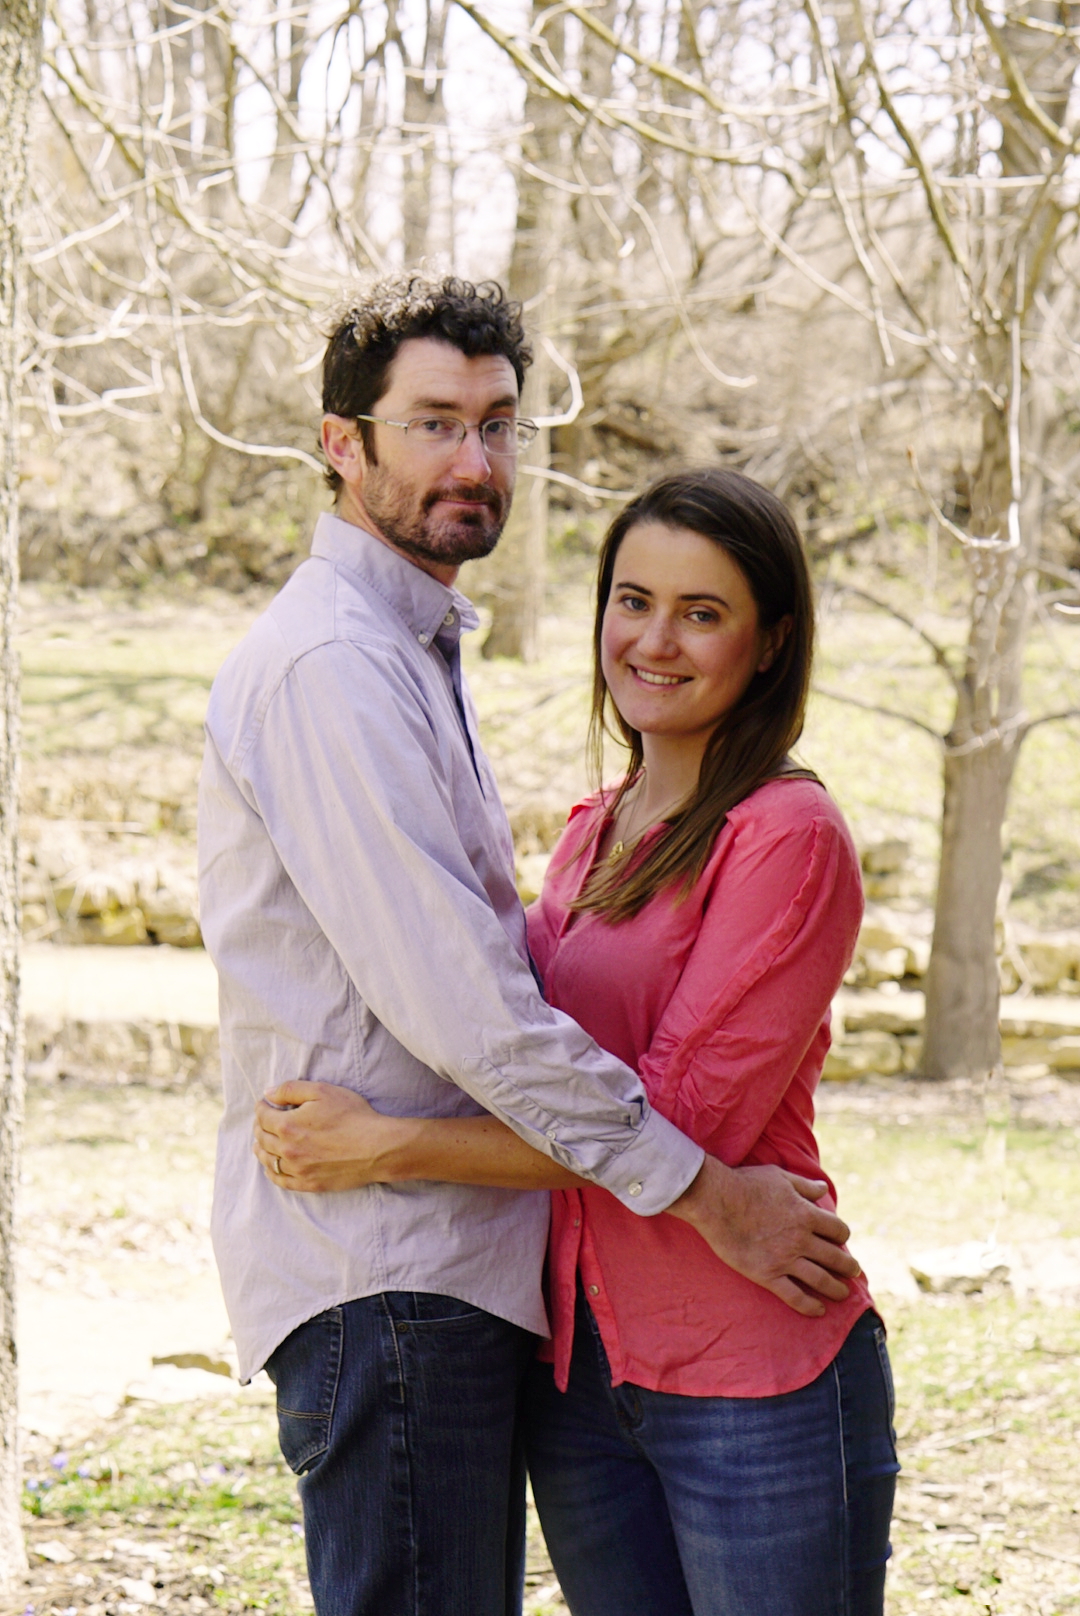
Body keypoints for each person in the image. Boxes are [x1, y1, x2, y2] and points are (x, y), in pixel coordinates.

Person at [199, 271, 860, 1616]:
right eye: (434, 424)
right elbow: (469, 1008)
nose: (474, 461)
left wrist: (395, 1142)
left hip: (508, 1292)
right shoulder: (338, 668)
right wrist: (706, 1192)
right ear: (342, 443)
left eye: (497, 426)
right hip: (394, 1276)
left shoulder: (415, 654)